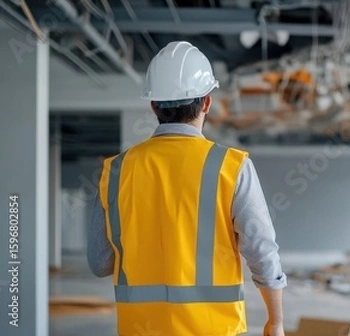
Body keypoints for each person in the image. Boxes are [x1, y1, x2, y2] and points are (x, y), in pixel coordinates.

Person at [87, 41, 287, 336]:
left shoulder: (115, 171)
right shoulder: (231, 166)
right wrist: (276, 321)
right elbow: (261, 251)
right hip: (215, 329)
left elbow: (100, 263)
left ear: (153, 105)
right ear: (206, 103)